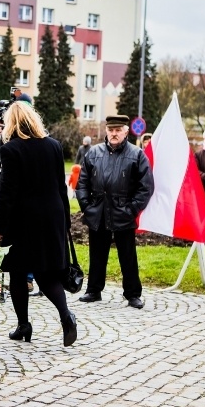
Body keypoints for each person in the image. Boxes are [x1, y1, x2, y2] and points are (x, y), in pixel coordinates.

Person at [0, 102, 77, 346]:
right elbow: (62, 187)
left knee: (18, 272)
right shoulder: (54, 146)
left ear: (11, 123)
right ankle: (65, 315)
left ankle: (23, 324)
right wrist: (66, 221)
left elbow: (7, 193)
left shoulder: (12, 149)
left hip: (23, 220)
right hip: (52, 216)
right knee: (45, 271)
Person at [77, 115, 154, 309]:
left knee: (127, 255)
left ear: (126, 131)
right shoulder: (93, 153)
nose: (114, 133)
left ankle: (133, 294)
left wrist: (132, 209)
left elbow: (146, 187)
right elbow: (82, 183)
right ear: (106, 131)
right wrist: (86, 205)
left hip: (123, 212)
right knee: (97, 254)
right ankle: (93, 290)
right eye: (111, 130)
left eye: (118, 130)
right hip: (98, 211)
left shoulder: (136, 154)